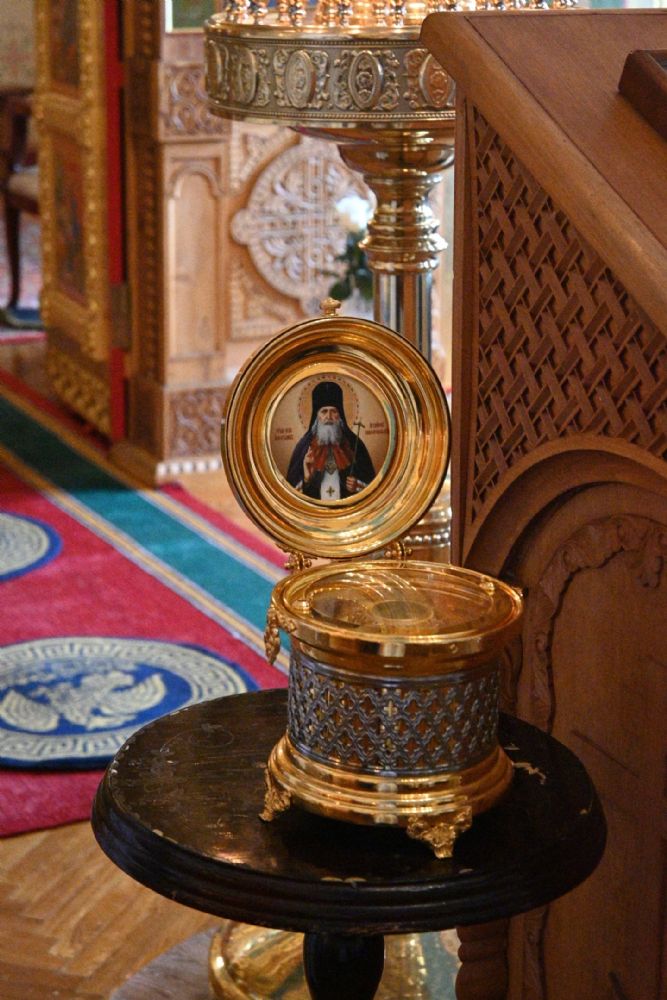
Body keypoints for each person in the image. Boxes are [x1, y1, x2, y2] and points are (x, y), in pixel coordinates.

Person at [286, 381, 375, 501]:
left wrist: (357, 485)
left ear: (340, 415)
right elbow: (288, 496)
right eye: (324, 411)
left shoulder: (355, 445)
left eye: (333, 411)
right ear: (316, 416)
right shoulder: (304, 447)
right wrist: (306, 480)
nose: (328, 416)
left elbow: (374, 488)